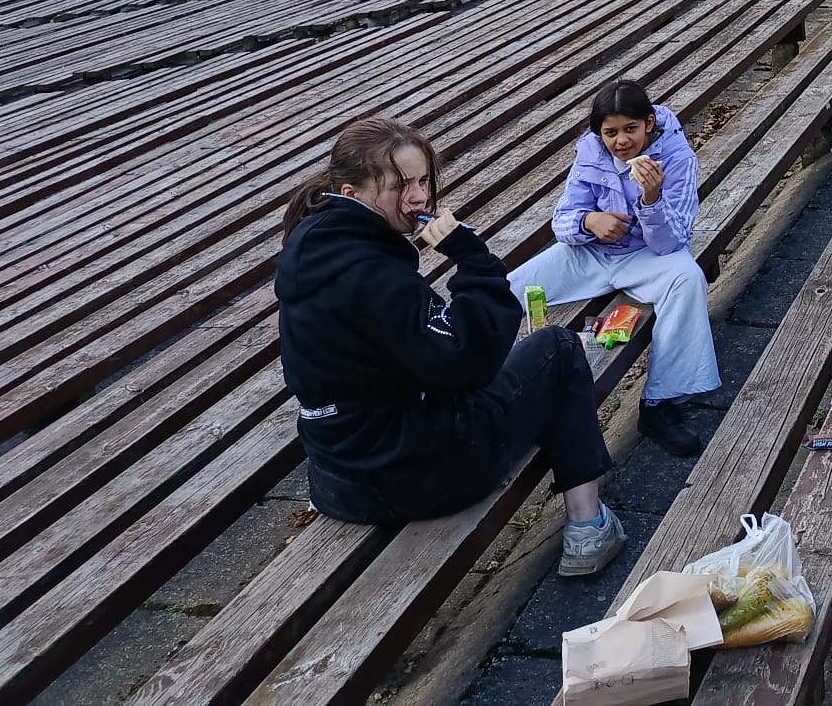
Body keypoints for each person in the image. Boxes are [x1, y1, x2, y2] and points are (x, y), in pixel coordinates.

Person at [276, 116, 626, 579]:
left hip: (338, 477)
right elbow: (471, 362)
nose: (418, 198)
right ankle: (589, 527)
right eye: (399, 186)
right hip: (418, 478)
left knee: (519, 367)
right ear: (351, 193)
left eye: (422, 181)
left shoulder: (313, 250)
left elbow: (420, 354)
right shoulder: (374, 274)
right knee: (557, 349)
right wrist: (472, 257)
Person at [505, 79, 720, 458]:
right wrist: (589, 221)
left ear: (649, 123)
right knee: (509, 288)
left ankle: (660, 403)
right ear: (598, 133)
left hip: (646, 256)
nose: (621, 141)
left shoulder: (678, 158)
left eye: (630, 129)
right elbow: (563, 220)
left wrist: (651, 199)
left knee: (687, 278)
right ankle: (478, 380)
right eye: (611, 132)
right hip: (591, 253)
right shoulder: (590, 152)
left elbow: (673, 242)